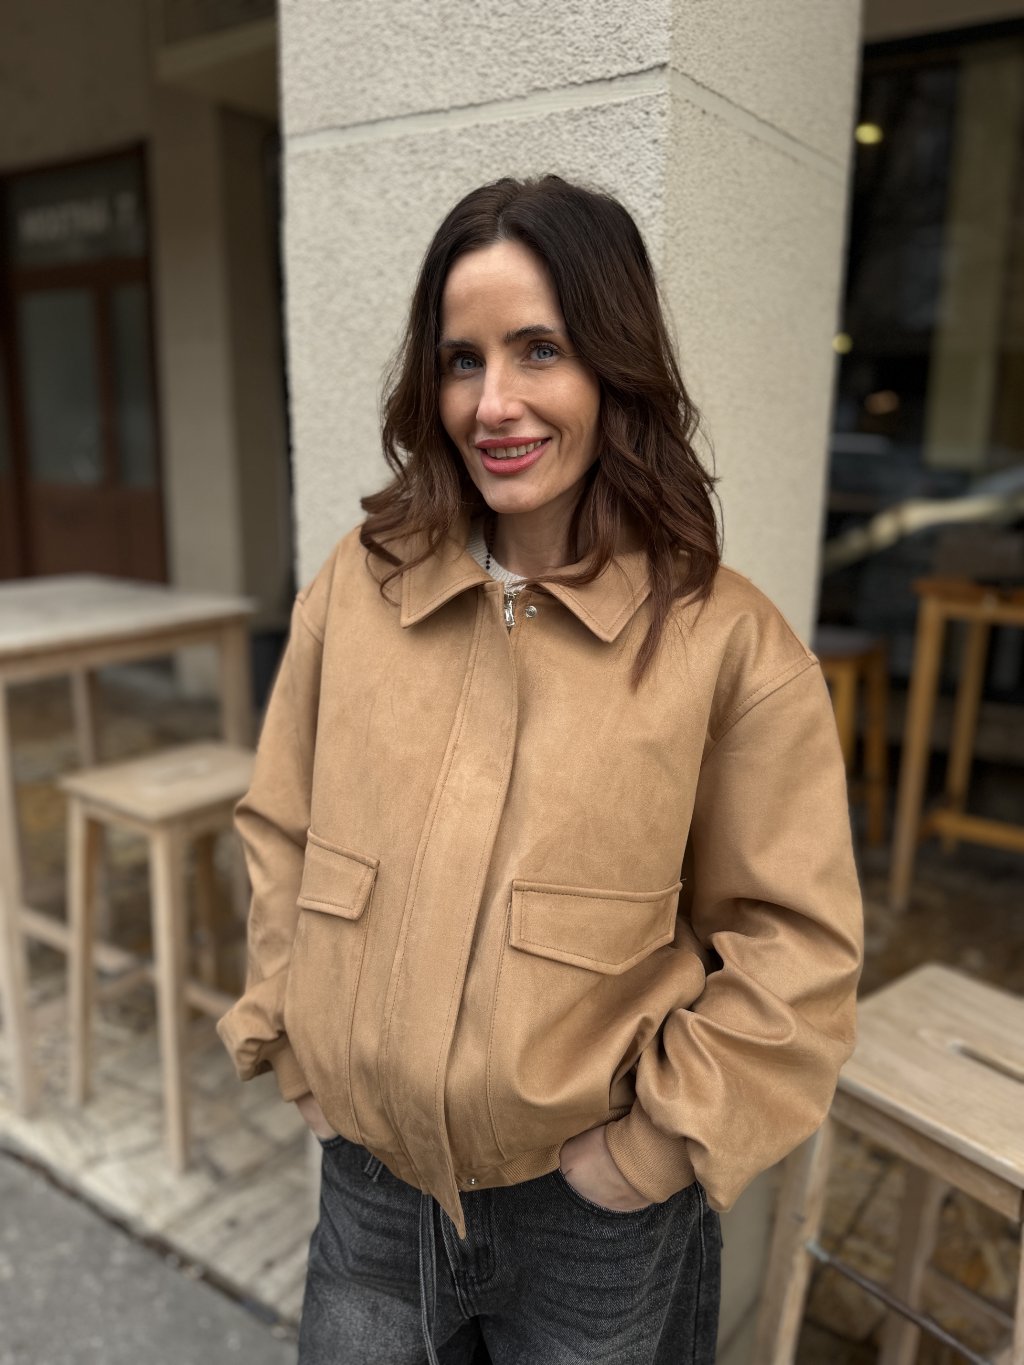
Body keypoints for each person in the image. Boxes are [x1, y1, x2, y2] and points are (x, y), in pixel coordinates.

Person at [217, 174, 863, 1365]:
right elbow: (281, 829)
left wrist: (648, 1155)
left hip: (591, 1221)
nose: (494, 403)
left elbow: (795, 947)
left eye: (540, 350)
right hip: (371, 1190)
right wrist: (297, 1048)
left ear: (614, 365)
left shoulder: (726, 643)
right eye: (462, 360)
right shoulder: (356, 589)